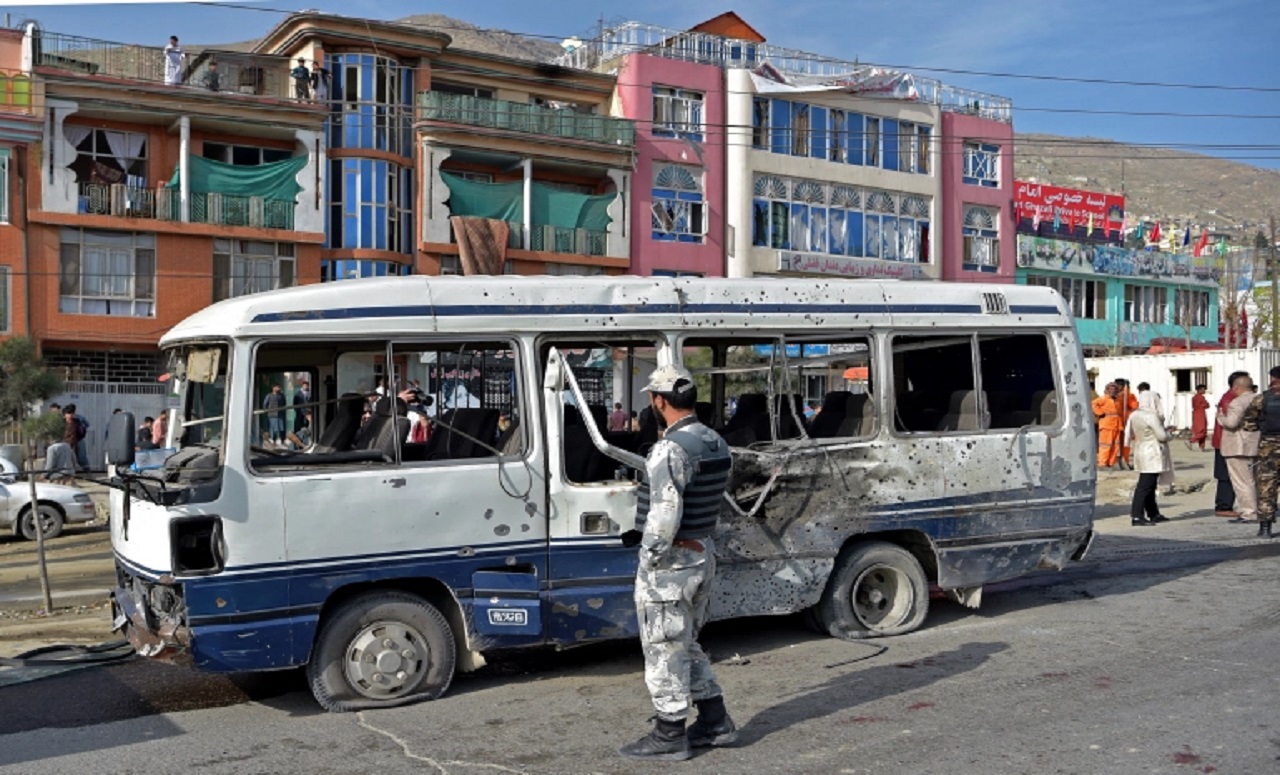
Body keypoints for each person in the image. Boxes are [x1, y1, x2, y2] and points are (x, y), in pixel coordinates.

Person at [619, 365, 735, 761]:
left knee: (664, 647)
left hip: (672, 565)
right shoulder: (715, 441)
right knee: (686, 643)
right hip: (703, 553)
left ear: (658, 401)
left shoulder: (670, 449)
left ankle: (670, 733)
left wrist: (649, 557)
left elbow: (665, 512)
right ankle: (715, 721)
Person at [1243, 365, 1280, 539]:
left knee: (1266, 487)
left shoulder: (1261, 399)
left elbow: (1249, 424)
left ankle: (1265, 528)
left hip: (1268, 448)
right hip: (1268, 446)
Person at [1216, 373, 1259, 525]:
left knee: (1242, 481)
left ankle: (1249, 512)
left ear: (1236, 387)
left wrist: (1220, 417)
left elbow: (1232, 423)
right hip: (1255, 443)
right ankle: (1258, 508)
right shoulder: (1259, 399)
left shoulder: (1238, 402)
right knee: (1253, 479)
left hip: (1237, 446)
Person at [1125, 391, 1171, 526]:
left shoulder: (1135, 414)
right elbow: (1161, 436)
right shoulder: (1151, 416)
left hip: (1141, 449)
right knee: (1145, 486)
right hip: (1153, 451)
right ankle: (1137, 515)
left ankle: (1153, 513)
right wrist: (1169, 433)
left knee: (1150, 485)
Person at [1212, 372, 1246, 517]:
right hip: (1225, 442)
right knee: (1226, 475)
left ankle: (1226, 504)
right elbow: (1230, 422)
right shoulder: (1230, 400)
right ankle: (1224, 506)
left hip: (1224, 441)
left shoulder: (1231, 398)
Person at [1092, 383, 1124, 469]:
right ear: (1107, 390)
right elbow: (1093, 404)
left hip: (1117, 425)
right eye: (1111, 389)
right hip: (1107, 425)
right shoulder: (1103, 398)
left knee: (1115, 445)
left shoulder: (1118, 400)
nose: (1113, 391)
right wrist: (1100, 413)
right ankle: (1102, 463)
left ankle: (1111, 462)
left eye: (1114, 389)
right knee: (1105, 445)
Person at [1114, 378, 1139, 469]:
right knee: (1118, 443)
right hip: (1117, 423)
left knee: (1125, 443)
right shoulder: (1115, 395)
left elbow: (1134, 406)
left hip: (1124, 422)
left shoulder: (1127, 395)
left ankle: (1124, 460)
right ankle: (1119, 461)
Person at [1190, 384, 1210, 450]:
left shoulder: (1194, 398)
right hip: (1200, 414)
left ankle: (1202, 446)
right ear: (1200, 390)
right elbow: (1207, 405)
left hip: (1195, 414)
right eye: (1203, 389)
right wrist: (1203, 405)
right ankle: (1192, 440)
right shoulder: (1201, 397)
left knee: (1199, 431)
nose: (1205, 390)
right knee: (1202, 431)